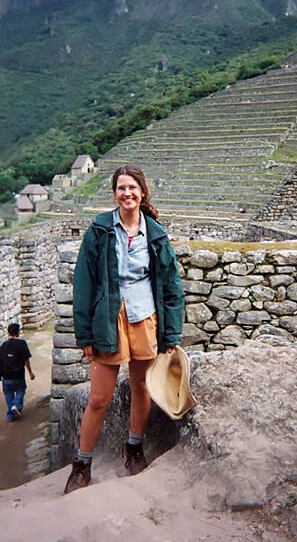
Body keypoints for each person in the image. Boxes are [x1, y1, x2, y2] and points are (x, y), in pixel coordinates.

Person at [64, 164, 185, 494]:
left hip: (145, 318)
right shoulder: (100, 230)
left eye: (133, 187)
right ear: (115, 193)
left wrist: (171, 333)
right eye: (121, 188)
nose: (127, 193)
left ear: (142, 192)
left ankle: (133, 449)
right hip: (108, 320)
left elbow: (172, 285)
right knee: (99, 398)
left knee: (141, 389)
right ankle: (81, 464)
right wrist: (84, 335)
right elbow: (84, 284)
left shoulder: (156, 233)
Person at [0, 323, 35, 422]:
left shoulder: (3, 345)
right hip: (18, 374)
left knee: (8, 394)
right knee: (21, 390)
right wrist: (30, 373)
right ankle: (15, 405)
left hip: (6, 376)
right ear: (17, 332)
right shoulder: (21, 343)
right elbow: (26, 360)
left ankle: (10, 416)